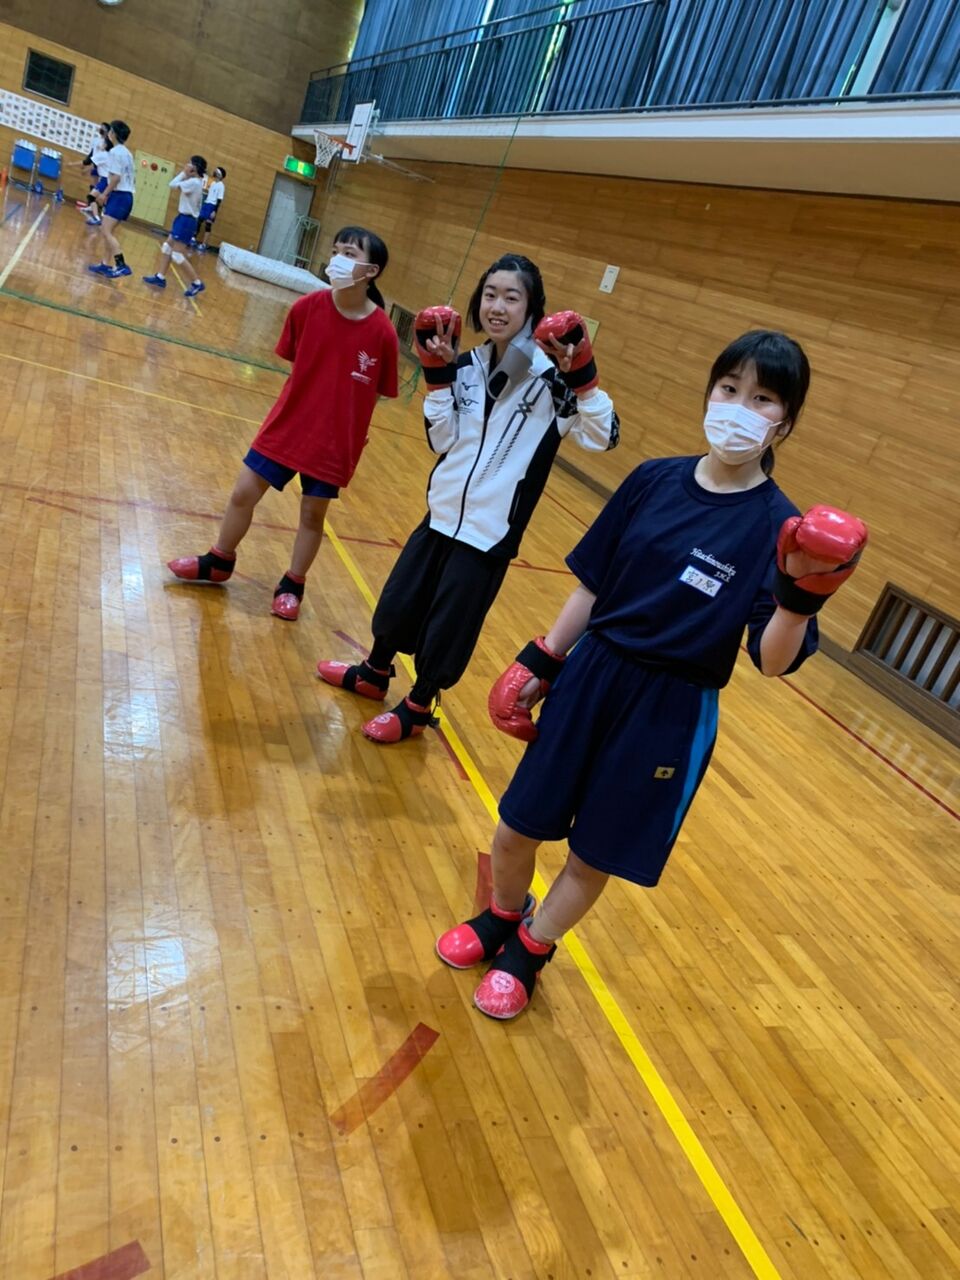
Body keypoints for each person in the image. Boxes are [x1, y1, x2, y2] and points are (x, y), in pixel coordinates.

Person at [434, 329, 869, 1019]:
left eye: (762, 399)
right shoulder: (653, 480)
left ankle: (531, 950)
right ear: (710, 392)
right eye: (729, 388)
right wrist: (541, 658)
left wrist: (801, 596)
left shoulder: (781, 527)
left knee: (594, 854)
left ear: (785, 421)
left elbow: (772, 660)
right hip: (592, 675)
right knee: (518, 825)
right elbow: (594, 584)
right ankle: (500, 917)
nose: (739, 407)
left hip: (671, 709)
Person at [316, 252, 620, 743]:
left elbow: (604, 437)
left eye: (511, 298)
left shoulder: (552, 381)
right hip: (440, 514)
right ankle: (374, 673)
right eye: (490, 295)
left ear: (532, 309)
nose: (497, 307)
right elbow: (440, 439)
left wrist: (582, 380)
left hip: (489, 532)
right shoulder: (466, 366)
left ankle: (419, 706)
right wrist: (437, 377)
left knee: (448, 628)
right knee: (397, 604)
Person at [167, 227, 398, 620]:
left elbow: (377, 391)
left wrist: (353, 422)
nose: (338, 259)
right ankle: (219, 561)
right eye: (336, 250)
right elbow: (300, 363)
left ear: (371, 271)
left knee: (312, 515)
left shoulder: (383, 333)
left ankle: (293, 585)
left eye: (350, 253)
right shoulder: (306, 308)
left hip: (334, 443)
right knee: (243, 492)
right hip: (288, 425)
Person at [143, 156, 208, 298]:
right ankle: (160, 277)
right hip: (182, 218)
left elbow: (172, 184)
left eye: (190, 163)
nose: (187, 164)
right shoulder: (194, 182)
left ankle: (197, 283)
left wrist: (184, 173)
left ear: (195, 167)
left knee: (177, 255)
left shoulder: (193, 182)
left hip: (187, 221)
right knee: (167, 247)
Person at [86, 120, 135, 280]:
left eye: (110, 131)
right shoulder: (127, 153)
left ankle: (121, 265)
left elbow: (115, 178)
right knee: (108, 231)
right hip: (126, 196)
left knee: (105, 231)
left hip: (120, 196)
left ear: (113, 133)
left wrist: (104, 194)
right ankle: (105, 264)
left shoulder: (115, 152)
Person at [77, 123, 112, 226]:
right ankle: (97, 214)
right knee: (95, 197)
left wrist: (84, 171)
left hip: (105, 180)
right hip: (106, 179)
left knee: (92, 197)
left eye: (104, 144)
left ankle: (98, 217)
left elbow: (92, 164)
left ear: (106, 145)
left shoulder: (103, 155)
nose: (101, 145)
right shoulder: (108, 154)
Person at [193, 165, 225, 250]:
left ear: (220, 175)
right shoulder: (213, 183)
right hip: (206, 204)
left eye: (216, 172)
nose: (214, 172)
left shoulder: (221, 186)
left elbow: (219, 200)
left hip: (212, 206)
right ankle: (193, 238)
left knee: (208, 225)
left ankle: (204, 244)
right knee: (199, 221)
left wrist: (214, 211)